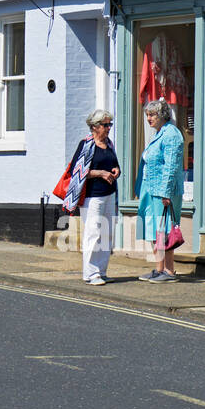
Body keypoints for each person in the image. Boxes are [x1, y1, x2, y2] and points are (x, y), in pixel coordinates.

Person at [136, 99, 185, 282]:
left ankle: (169, 271)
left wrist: (166, 192)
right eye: (147, 115)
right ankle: (159, 269)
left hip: (164, 191)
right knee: (154, 229)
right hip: (151, 189)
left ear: (162, 114)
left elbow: (172, 166)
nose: (148, 118)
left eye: (152, 115)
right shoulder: (158, 133)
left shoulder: (172, 134)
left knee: (164, 230)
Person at [71, 109, 120, 286]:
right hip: (93, 196)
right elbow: (75, 171)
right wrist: (100, 173)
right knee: (93, 233)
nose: (108, 128)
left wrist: (116, 170)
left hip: (109, 194)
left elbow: (114, 164)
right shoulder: (86, 144)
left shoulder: (109, 144)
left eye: (110, 124)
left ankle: (102, 271)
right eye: (105, 125)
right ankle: (90, 273)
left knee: (106, 234)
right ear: (94, 127)